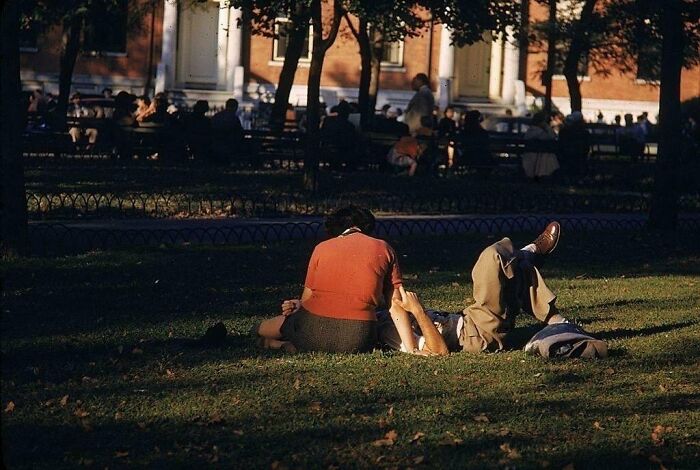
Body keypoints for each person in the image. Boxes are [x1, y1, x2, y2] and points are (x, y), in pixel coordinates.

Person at [377, 222, 568, 354]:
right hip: (475, 333)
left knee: (517, 269)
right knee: (492, 256)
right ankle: (530, 252)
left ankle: (559, 323)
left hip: (473, 323)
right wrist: (418, 311)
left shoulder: (389, 310)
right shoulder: (386, 328)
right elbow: (436, 350)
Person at [252, 206, 415, 354]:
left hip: (312, 332)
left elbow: (307, 300)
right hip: (359, 338)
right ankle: (285, 345)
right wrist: (411, 348)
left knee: (284, 323)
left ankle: (267, 337)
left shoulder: (322, 248)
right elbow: (396, 304)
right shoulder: (384, 248)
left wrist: (299, 305)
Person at [320, 101, 358, 170]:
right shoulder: (349, 125)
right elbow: (352, 141)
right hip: (342, 151)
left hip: (326, 149)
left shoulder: (328, 121)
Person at [522, 111, 559, 179]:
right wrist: (547, 126)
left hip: (529, 155)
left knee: (546, 154)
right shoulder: (540, 132)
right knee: (549, 155)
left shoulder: (531, 130)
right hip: (536, 156)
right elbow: (553, 137)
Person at [558, 111, 590, 180]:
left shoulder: (564, 131)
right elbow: (587, 146)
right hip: (580, 154)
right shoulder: (584, 132)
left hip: (566, 154)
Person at [211, 98, 244, 164]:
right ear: (235, 107)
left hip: (215, 143)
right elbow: (240, 132)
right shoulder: (233, 118)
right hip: (229, 145)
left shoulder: (217, 116)